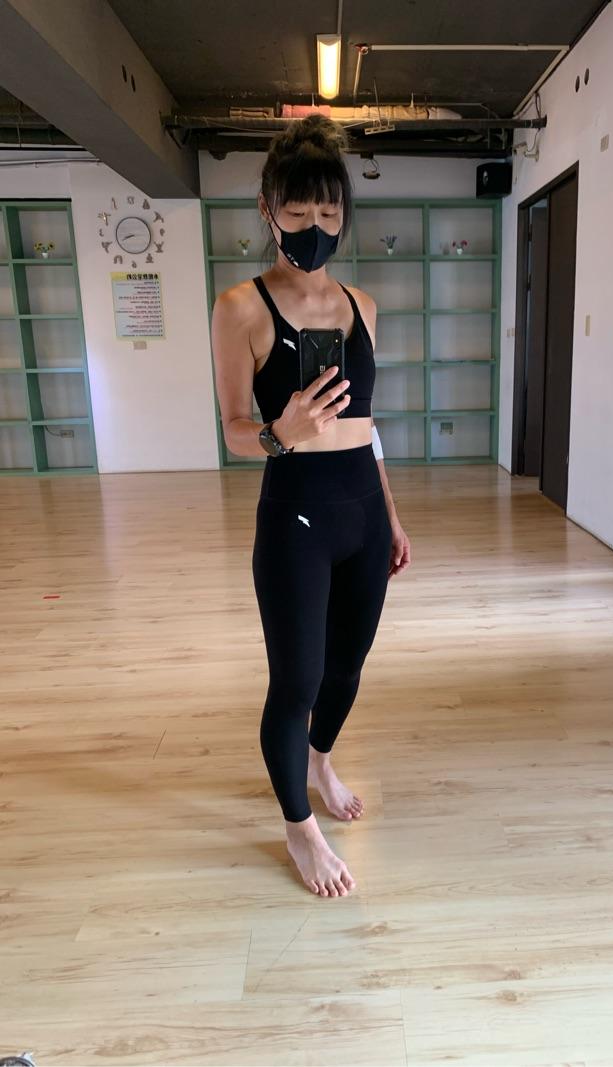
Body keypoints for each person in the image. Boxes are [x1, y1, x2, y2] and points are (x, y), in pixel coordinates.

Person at [211, 115, 411, 897]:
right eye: (298, 213)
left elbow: (368, 423)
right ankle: (299, 829)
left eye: (329, 212)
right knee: (295, 680)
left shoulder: (363, 304)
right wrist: (278, 433)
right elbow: (233, 427)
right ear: (269, 210)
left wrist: (390, 513)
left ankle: (320, 761)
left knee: (347, 668)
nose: (316, 227)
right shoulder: (241, 307)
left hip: (362, 508)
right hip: (295, 511)